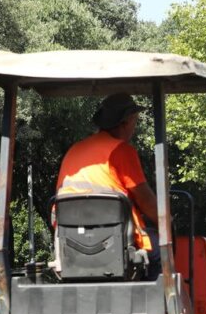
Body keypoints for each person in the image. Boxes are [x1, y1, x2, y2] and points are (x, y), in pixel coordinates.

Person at [56, 92, 159, 267]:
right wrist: (167, 220)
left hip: (70, 241)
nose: (135, 126)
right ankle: (163, 294)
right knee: (160, 251)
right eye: (135, 120)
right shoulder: (121, 151)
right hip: (116, 243)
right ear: (125, 121)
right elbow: (145, 200)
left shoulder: (75, 149)